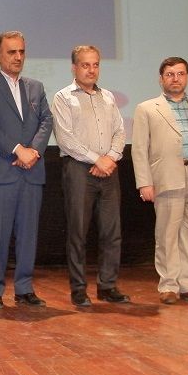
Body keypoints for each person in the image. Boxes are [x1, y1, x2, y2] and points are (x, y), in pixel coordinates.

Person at [131, 57, 188, 305]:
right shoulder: (147, 108)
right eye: (170, 74)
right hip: (166, 178)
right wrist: (144, 182)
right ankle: (169, 285)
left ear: (187, 77)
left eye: (180, 74)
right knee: (167, 235)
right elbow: (139, 149)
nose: (175, 79)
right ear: (161, 79)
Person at [0, 31, 53, 309]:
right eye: (11, 52)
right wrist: (18, 150)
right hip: (0, 174)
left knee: (28, 235)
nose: (18, 57)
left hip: (32, 172)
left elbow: (47, 121)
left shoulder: (36, 87)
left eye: (21, 51)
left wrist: (34, 151)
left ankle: (24, 289)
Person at [52, 44, 130, 307]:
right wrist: (98, 159)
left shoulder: (107, 96)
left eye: (95, 65)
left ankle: (108, 286)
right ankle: (78, 289)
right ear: (74, 67)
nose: (91, 70)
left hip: (109, 170)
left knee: (112, 232)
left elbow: (120, 131)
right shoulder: (63, 97)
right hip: (78, 170)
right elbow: (65, 139)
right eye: (85, 65)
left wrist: (111, 158)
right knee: (78, 233)